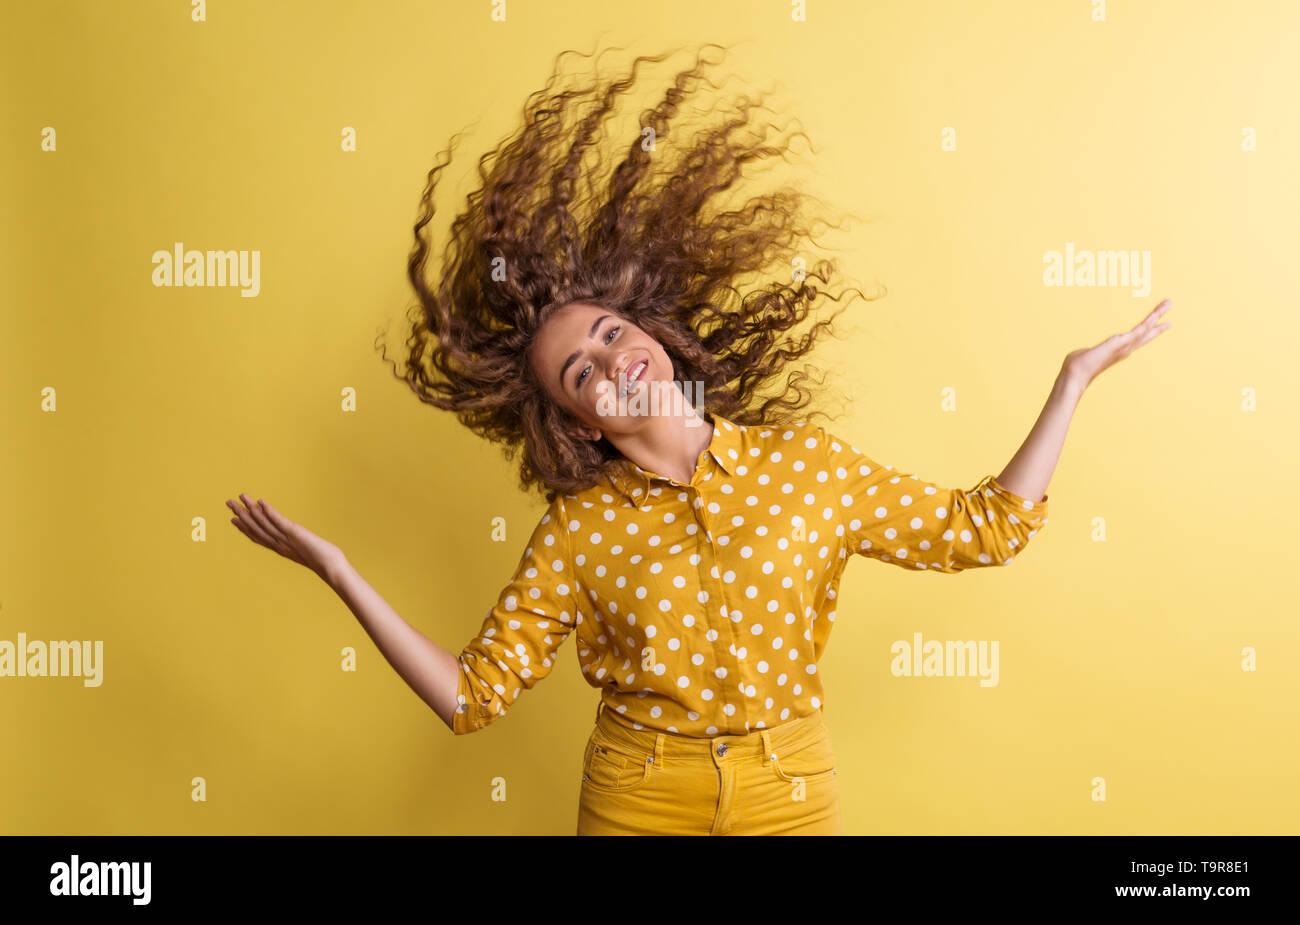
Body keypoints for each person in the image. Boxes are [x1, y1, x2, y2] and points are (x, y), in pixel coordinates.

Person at [225, 43, 1173, 835]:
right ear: (573, 420)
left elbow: (986, 530)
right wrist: (342, 571)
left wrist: (1072, 381)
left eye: (607, 334)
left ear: (644, 325)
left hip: (790, 786)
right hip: (639, 794)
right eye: (580, 375)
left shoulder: (807, 468)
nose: (610, 362)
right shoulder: (577, 532)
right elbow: (472, 697)